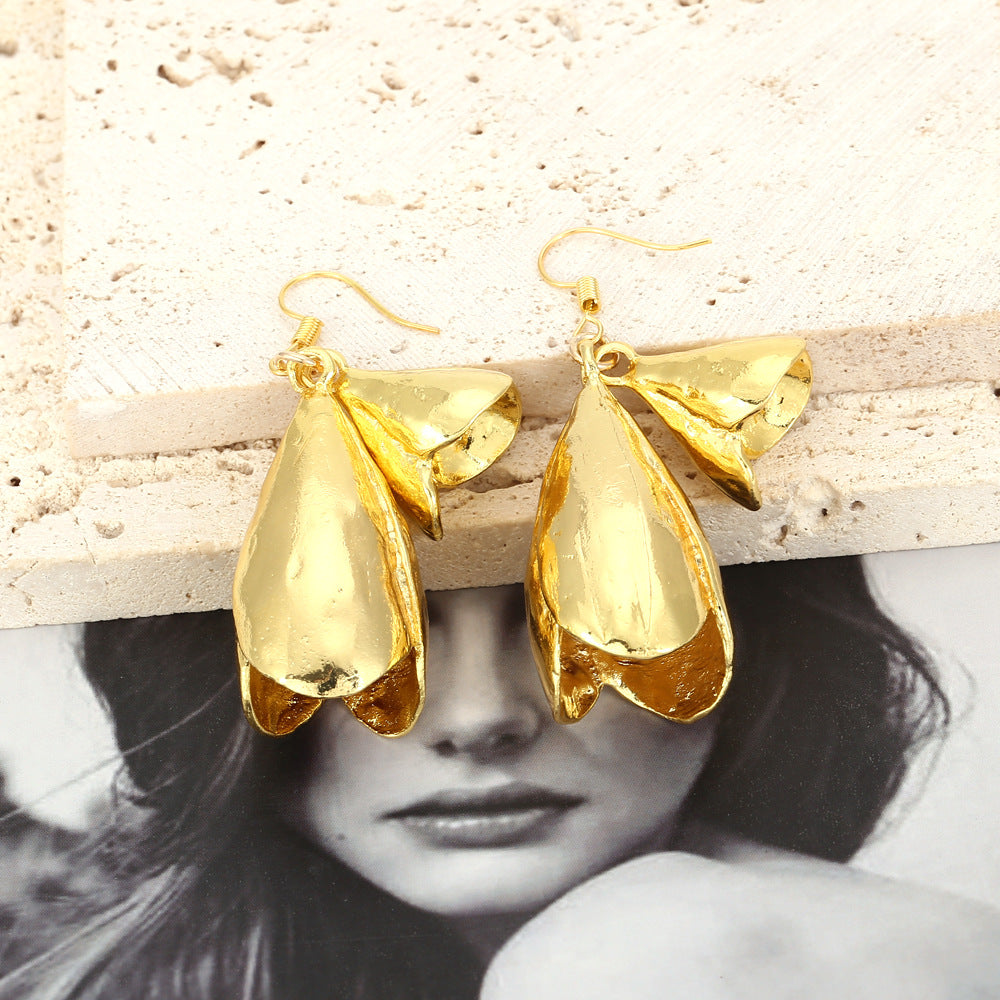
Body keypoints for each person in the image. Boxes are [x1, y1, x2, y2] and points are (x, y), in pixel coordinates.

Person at [1, 556, 998, 999]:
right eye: (358, 626)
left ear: (744, 653)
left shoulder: (662, 950)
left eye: (587, 618)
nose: (480, 716)